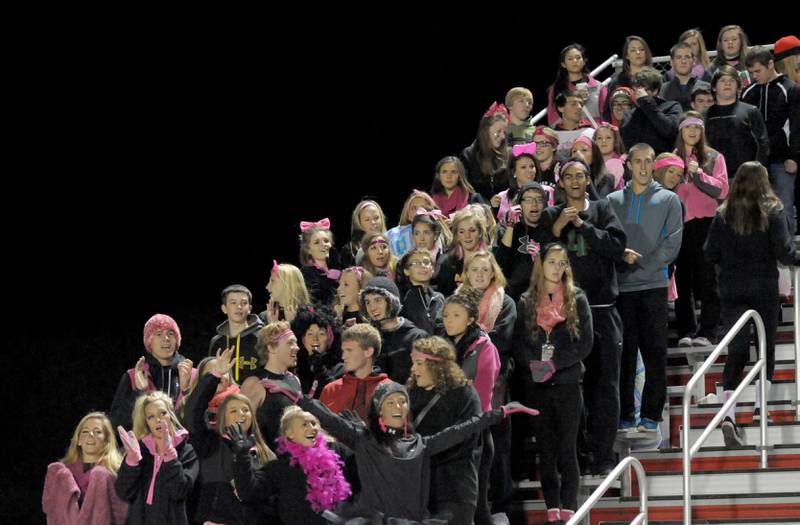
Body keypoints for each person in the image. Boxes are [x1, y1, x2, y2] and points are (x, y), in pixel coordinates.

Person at [299, 380, 538, 523]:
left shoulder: (422, 444)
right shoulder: (363, 440)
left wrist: (501, 412)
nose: (397, 407)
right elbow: (327, 418)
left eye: (401, 401)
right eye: (389, 403)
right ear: (379, 411)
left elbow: (461, 430)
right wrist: (296, 395)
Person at [704, 162, 800, 446]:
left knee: (736, 353)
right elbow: (784, 251)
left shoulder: (722, 215)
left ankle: (729, 415)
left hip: (732, 290)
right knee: (765, 349)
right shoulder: (773, 210)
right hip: (763, 290)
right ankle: (761, 409)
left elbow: (710, 253)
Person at [546, 159, 627, 475]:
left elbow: (617, 246)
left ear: (588, 179)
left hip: (603, 310)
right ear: (561, 183)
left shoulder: (603, 208)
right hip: (565, 315)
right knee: (569, 388)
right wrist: (558, 228)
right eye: (569, 176)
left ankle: (604, 455)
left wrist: (583, 227)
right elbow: (541, 256)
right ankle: (575, 456)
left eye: (582, 175)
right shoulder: (554, 215)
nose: (576, 181)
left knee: (605, 385)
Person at [513, 243, 594, 524]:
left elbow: (585, 343)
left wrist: (555, 365)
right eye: (553, 262)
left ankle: (569, 506)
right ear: (541, 264)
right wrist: (534, 365)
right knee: (545, 449)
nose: (558, 267)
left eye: (562, 263)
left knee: (567, 448)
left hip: (568, 382)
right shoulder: (526, 301)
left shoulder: (577, 298)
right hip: (537, 385)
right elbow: (520, 344)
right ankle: (552, 508)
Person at [608, 144, 683, 433]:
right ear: (628, 165)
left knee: (654, 352)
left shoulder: (669, 200)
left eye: (647, 161)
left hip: (653, 286)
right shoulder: (613, 200)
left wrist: (644, 265)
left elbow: (673, 243)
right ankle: (626, 414)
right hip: (623, 289)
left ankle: (651, 416)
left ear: (654, 165)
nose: (642, 167)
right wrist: (621, 263)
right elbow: (608, 241)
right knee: (625, 354)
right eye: (637, 161)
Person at [184, 347, 276, 524]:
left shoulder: (265, 452)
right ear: (222, 418)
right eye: (233, 411)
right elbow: (192, 411)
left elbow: (265, 497)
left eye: (245, 410)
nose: (241, 414)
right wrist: (216, 373)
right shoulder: (210, 442)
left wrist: (243, 454)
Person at [228, 405, 351, 525]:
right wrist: (242, 456)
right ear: (290, 434)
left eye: (313, 423)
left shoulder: (337, 452)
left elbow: (365, 469)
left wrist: (357, 436)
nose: (312, 428)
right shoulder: (280, 468)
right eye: (304, 424)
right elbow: (249, 493)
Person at [407, 336, 484, 525]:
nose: (413, 369)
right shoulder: (410, 394)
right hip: (417, 489)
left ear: (437, 365)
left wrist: (424, 454)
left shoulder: (464, 394)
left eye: (418, 363)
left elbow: (465, 439)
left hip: (454, 489)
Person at [673, 111, 729, 347]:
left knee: (708, 279)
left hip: (707, 223)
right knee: (682, 279)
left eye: (697, 128)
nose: (693, 132)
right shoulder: (673, 158)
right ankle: (686, 330)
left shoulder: (714, 157)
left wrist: (699, 175)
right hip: (680, 224)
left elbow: (723, 190)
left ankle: (708, 331)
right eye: (688, 128)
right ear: (681, 131)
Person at [115, 391, 199, 525]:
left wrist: (170, 456)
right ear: (146, 422)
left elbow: (179, 491)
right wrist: (131, 462)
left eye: (163, 413)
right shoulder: (140, 450)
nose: (158, 420)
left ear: (171, 414)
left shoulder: (187, 451)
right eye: (151, 417)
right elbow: (123, 492)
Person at [742, 46, 800, 233]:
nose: (755, 76)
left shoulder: (790, 89)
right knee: (757, 207)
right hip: (756, 161)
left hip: (782, 159)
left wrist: (793, 156)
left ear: (771, 64)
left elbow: (796, 126)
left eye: (758, 71)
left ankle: (787, 253)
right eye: (751, 73)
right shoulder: (748, 93)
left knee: (784, 204)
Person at [110, 314, 196, 430]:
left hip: (186, 447)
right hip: (144, 448)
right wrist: (139, 392)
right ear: (149, 341)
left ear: (177, 340)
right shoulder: (132, 377)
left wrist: (187, 391)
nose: (166, 338)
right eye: (159, 334)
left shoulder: (194, 375)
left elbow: (200, 420)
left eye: (171, 333)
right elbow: (117, 425)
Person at [43, 412, 128, 525]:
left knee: (100, 473)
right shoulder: (62, 475)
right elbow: (50, 509)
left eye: (97, 432)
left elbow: (122, 513)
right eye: (85, 431)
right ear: (78, 440)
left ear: (107, 440)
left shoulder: (115, 472)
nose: (91, 435)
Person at [240, 321, 303, 446]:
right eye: (290, 343)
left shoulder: (295, 380)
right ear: (271, 348)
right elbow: (240, 427)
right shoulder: (255, 383)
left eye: (295, 342)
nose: (297, 347)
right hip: (267, 462)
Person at [705, 65, 770, 178]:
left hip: (748, 178)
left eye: (732, 80)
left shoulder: (751, 111)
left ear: (738, 86)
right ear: (714, 87)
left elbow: (763, 144)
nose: (727, 84)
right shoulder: (704, 115)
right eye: (722, 80)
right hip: (715, 179)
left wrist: (757, 170)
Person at [359, 276, 428, 384]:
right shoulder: (368, 338)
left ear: (392, 301)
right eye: (368, 302)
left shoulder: (417, 337)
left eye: (378, 300)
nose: (372, 308)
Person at [494, 181, 555, 300]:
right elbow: (500, 266)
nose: (534, 204)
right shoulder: (509, 230)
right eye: (528, 200)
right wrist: (510, 225)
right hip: (513, 295)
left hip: (543, 295)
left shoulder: (550, 231)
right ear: (519, 204)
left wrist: (539, 258)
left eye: (539, 199)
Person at [320, 323, 390, 419]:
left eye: (349, 350)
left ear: (368, 352)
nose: (343, 357)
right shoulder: (330, 390)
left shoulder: (390, 391)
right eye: (343, 351)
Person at [208, 284, 264, 383]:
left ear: (249, 308)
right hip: (225, 397)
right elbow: (210, 375)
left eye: (244, 303)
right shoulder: (216, 342)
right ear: (224, 308)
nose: (239, 307)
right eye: (233, 303)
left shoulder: (262, 337)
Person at [620, 67, 682, 155]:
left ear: (655, 91)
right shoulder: (629, 115)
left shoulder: (672, 106)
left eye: (642, 90)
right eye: (635, 90)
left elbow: (669, 131)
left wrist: (646, 102)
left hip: (663, 160)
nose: (638, 95)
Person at [460, 101, 511, 202]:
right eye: (498, 132)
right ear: (485, 131)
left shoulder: (509, 154)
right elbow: (466, 190)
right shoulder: (468, 155)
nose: (503, 136)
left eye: (504, 132)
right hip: (478, 211)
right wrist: (487, 204)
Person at [547, 44, 607, 126]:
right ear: (563, 64)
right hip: (569, 135)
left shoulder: (599, 87)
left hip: (593, 134)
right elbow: (552, 120)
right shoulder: (556, 88)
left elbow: (606, 116)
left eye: (578, 58)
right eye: (570, 59)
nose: (575, 61)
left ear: (584, 61)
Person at [291, 305, 345, 398]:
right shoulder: (294, 366)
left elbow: (336, 397)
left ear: (330, 339)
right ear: (302, 339)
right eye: (310, 333)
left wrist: (322, 372)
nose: (315, 339)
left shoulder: (340, 369)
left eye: (321, 333)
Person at [605, 36, 654, 119]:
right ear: (627, 55)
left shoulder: (655, 78)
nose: (638, 52)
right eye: (633, 50)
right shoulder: (617, 80)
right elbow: (607, 110)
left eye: (641, 49)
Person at [399, 248, 444, 335]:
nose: (423, 266)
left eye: (426, 262)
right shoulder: (402, 300)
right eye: (416, 263)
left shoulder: (439, 298)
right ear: (406, 271)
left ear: (432, 269)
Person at [298, 218, 341, 307]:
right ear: (308, 249)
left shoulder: (338, 267)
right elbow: (314, 302)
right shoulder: (306, 272)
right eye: (317, 242)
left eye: (326, 241)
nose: (323, 244)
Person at [660, 42, 711, 111]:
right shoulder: (663, 90)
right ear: (671, 62)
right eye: (679, 57)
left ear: (694, 61)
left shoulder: (706, 87)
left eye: (687, 57)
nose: (683, 61)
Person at [386, 190, 439, 258]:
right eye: (414, 208)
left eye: (423, 208)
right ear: (408, 214)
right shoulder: (391, 235)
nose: (418, 211)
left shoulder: (441, 232)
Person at [341, 199, 388, 269]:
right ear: (359, 222)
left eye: (376, 218)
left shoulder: (392, 239)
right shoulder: (350, 249)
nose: (373, 222)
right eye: (367, 219)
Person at [708, 25, 751, 91]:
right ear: (721, 44)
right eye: (725, 40)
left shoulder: (751, 64)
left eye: (734, 39)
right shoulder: (712, 69)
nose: (730, 42)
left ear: (741, 42)